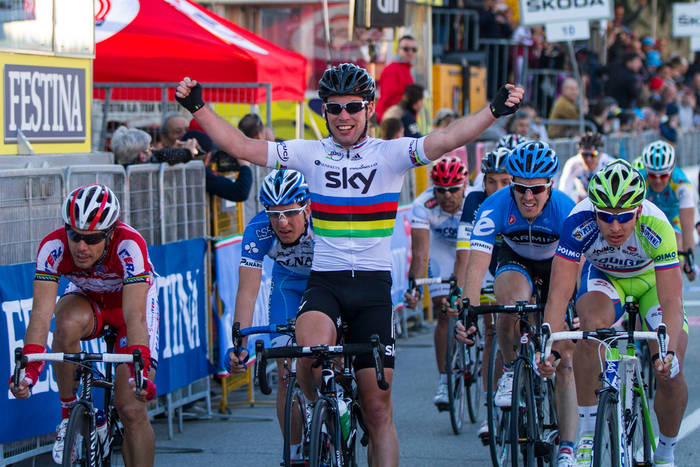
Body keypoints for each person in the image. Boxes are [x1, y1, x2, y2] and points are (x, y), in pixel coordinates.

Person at [175, 63, 523, 466]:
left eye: (353, 107)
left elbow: (447, 138)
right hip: (326, 283)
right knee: (306, 354)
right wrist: (198, 107)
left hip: (373, 291)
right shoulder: (310, 153)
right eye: (335, 107)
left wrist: (494, 110)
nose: (344, 116)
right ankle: (319, 417)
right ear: (324, 111)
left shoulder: (390, 154)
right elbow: (241, 147)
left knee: (377, 410)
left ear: (369, 109)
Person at [539, 160, 687, 467]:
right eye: (605, 217)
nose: (615, 227)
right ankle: (588, 433)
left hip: (651, 283)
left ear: (639, 210)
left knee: (670, 371)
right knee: (591, 329)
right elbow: (559, 294)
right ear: (594, 211)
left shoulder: (657, 225)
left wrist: (669, 352)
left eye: (624, 217)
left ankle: (665, 453)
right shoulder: (578, 221)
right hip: (605, 278)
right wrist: (549, 348)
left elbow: (672, 300)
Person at [9, 184, 158, 467]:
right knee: (64, 321)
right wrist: (29, 369)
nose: (81, 246)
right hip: (88, 302)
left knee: (130, 408)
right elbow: (41, 313)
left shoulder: (129, 245)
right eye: (75, 235)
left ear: (111, 233)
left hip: (129, 308)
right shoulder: (53, 247)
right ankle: (69, 414)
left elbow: (135, 316)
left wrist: (140, 370)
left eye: (92, 239)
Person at [455, 141, 578, 466]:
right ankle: (510, 369)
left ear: (550, 185)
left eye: (536, 189)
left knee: (564, 358)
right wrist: (467, 311)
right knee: (509, 303)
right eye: (520, 188)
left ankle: (568, 446)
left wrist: (575, 309)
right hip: (515, 260)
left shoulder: (566, 209)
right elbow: (476, 264)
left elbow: (577, 271)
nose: (528, 197)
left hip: (557, 266)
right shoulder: (495, 205)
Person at [226, 169, 312, 462]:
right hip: (287, 285)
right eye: (274, 214)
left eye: (290, 212)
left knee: (329, 356)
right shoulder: (259, 229)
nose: (282, 222)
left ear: (306, 208)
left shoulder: (325, 221)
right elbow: (247, 293)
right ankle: (294, 454)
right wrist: (239, 345)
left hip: (325, 283)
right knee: (286, 373)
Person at [453, 146, 512, 441]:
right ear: (483, 181)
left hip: (513, 263)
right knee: (491, 332)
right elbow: (465, 253)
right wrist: (463, 293)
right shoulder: (475, 201)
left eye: (505, 182)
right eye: (491, 181)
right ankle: (490, 409)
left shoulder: (520, 200)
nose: (497, 188)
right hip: (485, 263)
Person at [403, 157, 469, 410]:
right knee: (443, 309)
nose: (447, 195)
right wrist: (415, 287)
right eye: (441, 190)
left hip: (470, 250)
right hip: (442, 250)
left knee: (481, 305)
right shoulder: (423, 203)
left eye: (453, 189)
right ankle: (444, 378)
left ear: (465, 186)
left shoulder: (475, 199)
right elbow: (420, 252)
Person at [638, 140, 696, 281]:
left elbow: (687, 229)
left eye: (663, 175)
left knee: (674, 247)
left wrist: (689, 261)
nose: (658, 180)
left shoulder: (682, 184)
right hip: (646, 218)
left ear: (671, 171)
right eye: (652, 175)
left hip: (672, 218)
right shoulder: (638, 180)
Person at [180, 129, 253, 202]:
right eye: (212, 156)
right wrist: (245, 166)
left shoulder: (177, 164)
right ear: (207, 158)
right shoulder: (200, 174)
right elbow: (240, 193)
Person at [558, 132, 615, 203]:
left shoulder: (610, 164)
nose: (588, 159)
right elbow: (563, 192)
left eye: (593, 154)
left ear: (600, 153)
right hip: (583, 200)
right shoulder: (573, 164)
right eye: (584, 155)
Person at [376, 35, 417, 122]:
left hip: (399, 119)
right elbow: (389, 100)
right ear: (398, 50)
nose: (410, 52)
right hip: (393, 120)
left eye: (414, 49)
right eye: (406, 49)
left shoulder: (406, 69)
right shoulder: (392, 70)